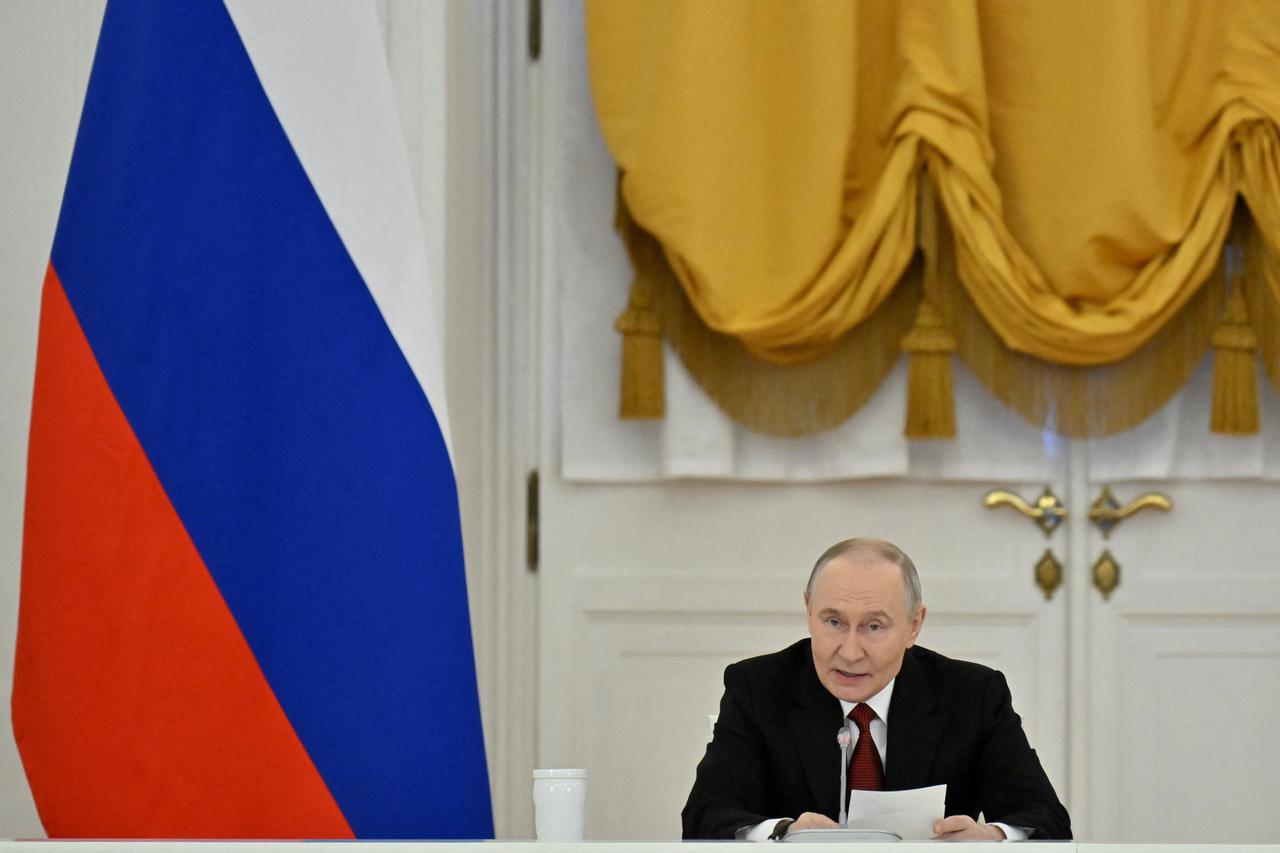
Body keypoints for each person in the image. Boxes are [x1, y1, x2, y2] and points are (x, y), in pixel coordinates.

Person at [681, 538, 1071, 841]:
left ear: (914, 626)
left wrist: (993, 837)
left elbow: (1046, 819)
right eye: (833, 622)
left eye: (874, 626)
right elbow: (705, 817)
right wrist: (784, 832)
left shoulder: (972, 694)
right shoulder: (757, 687)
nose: (850, 652)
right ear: (808, 611)